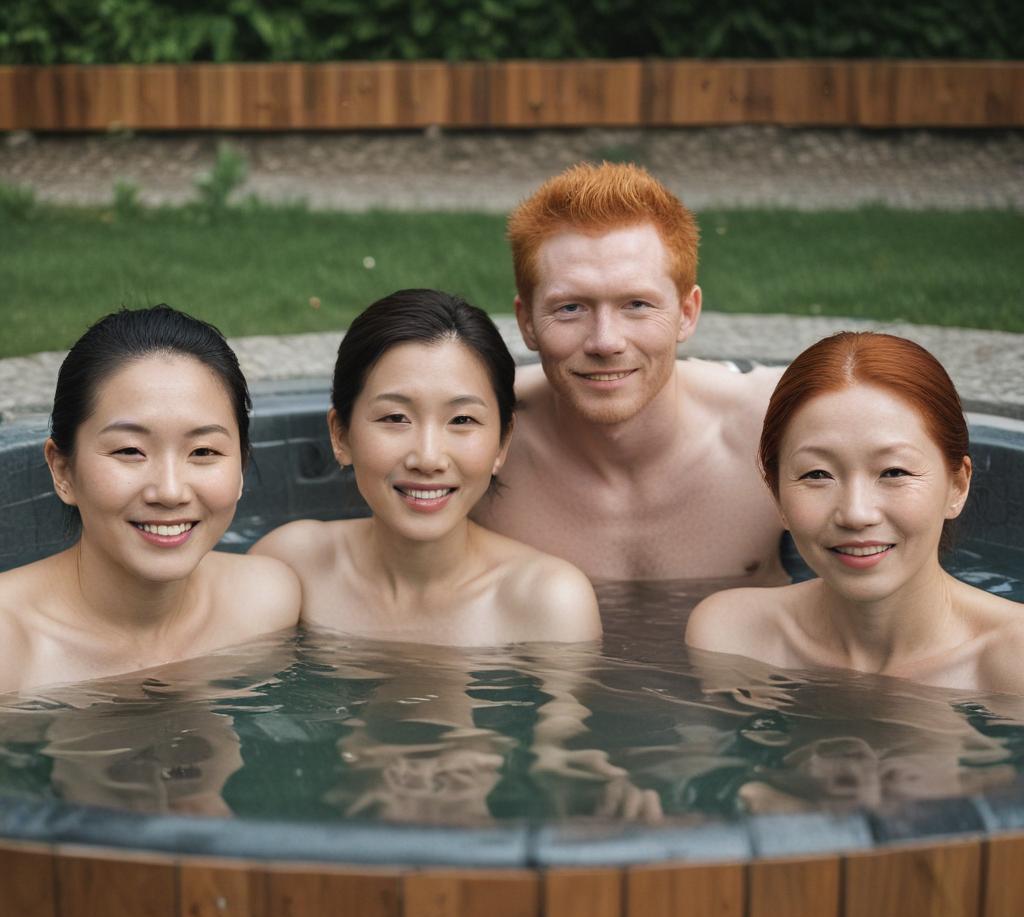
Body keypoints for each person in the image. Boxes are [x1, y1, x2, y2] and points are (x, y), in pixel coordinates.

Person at [473, 161, 785, 581]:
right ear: (526, 321)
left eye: (636, 304)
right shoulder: (470, 434)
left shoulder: (772, 428)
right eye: (571, 308)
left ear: (687, 313)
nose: (605, 341)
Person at [251, 289, 602, 645]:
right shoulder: (293, 568)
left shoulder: (547, 602)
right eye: (396, 417)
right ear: (341, 435)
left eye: (462, 419)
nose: (429, 458)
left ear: (502, 442)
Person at [685, 331, 1024, 693]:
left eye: (894, 472)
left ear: (957, 486)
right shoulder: (732, 637)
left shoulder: (1011, 660)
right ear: (777, 496)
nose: (856, 513)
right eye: (818, 474)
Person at [0, 306, 301, 692]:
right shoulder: (10, 649)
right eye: (130, 451)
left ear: (241, 467)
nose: (170, 491)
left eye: (203, 452)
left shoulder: (266, 605)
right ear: (63, 470)